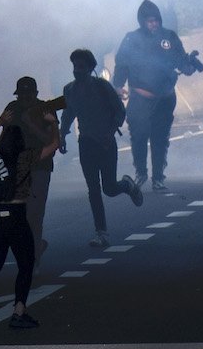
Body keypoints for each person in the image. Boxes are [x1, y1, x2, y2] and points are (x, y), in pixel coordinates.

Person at [0, 109, 59, 328]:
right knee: (26, 263)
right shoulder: (26, 157)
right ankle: (19, 311)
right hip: (16, 215)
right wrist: (53, 123)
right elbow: (54, 145)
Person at [113, 0, 201, 193]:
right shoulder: (131, 39)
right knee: (139, 136)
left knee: (160, 138)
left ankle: (158, 177)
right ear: (142, 21)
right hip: (140, 99)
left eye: (156, 20)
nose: (153, 24)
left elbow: (181, 61)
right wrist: (118, 85)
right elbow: (121, 64)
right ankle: (141, 172)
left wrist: (190, 65)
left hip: (165, 98)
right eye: (149, 21)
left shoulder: (169, 37)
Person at [59, 49, 142, 248]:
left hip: (105, 142)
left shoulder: (102, 86)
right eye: (75, 66)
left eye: (81, 66)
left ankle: (127, 186)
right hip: (86, 143)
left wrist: (110, 131)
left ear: (90, 68)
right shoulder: (69, 90)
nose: (77, 70)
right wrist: (61, 135)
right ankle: (101, 232)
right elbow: (68, 114)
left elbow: (119, 111)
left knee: (109, 188)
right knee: (93, 190)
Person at [1, 76, 59, 269]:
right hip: (17, 168)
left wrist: (31, 124)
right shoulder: (12, 107)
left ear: (35, 94)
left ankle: (33, 259)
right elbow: (5, 134)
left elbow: (51, 141)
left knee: (34, 214)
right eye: (21, 94)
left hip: (40, 168)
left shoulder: (47, 110)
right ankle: (35, 247)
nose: (24, 98)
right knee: (18, 215)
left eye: (28, 94)